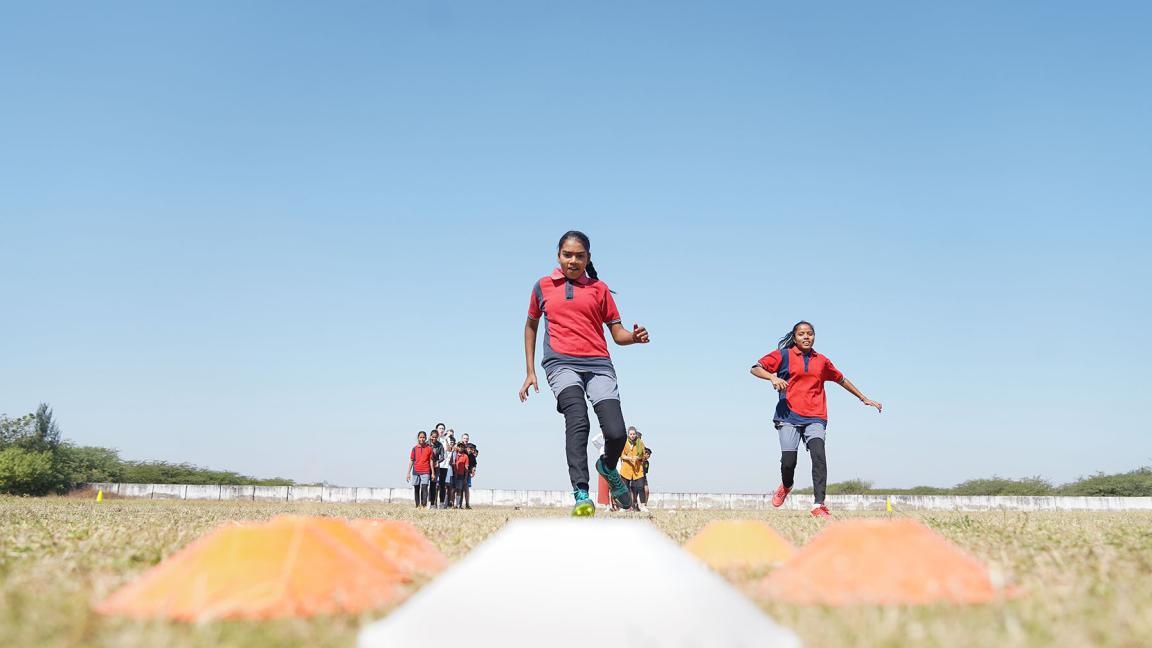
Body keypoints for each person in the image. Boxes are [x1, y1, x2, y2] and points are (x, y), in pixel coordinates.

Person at [518, 230, 650, 517]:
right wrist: (530, 371)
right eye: (568, 255)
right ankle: (581, 492)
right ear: (558, 256)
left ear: (588, 258)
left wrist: (634, 338)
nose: (573, 261)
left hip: (599, 364)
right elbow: (531, 326)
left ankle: (607, 465)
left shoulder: (599, 289)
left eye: (580, 256)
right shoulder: (542, 286)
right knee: (578, 419)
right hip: (561, 363)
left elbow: (617, 333)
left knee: (616, 432)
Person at [750, 321, 882, 517]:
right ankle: (786, 485)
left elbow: (841, 379)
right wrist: (772, 377)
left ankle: (818, 505)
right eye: (801, 334)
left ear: (814, 337)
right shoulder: (784, 355)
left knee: (818, 455)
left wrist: (863, 398)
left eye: (810, 334)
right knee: (788, 462)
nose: (806, 337)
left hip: (815, 416)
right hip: (788, 416)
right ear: (794, 337)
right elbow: (755, 368)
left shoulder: (821, 360)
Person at [619, 427, 646, 512]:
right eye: (630, 434)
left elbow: (643, 455)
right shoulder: (624, 443)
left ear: (636, 434)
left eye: (634, 434)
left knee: (641, 487)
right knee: (624, 488)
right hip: (626, 469)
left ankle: (643, 505)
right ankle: (624, 506)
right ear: (628, 434)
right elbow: (621, 455)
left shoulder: (640, 442)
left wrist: (638, 457)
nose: (632, 436)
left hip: (638, 469)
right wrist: (628, 458)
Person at [406, 431, 435, 508]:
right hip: (416, 471)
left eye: (423, 437)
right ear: (418, 438)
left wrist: (433, 473)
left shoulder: (429, 448)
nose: (422, 439)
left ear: (425, 438)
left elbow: (431, 461)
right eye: (420, 437)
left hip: (425, 471)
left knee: (424, 487)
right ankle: (417, 505)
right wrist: (408, 473)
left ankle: (423, 504)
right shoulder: (414, 449)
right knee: (416, 488)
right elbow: (411, 460)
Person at [439, 428, 457, 508]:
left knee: (450, 488)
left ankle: (448, 503)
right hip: (442, 467)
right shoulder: (442, 444)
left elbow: (450, 450)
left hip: (450, 470)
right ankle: (439, 503)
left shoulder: (455, 448)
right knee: (441, 486)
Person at [428, 426, 445, 509]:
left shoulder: (440, 445)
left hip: (435, 467)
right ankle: (425, 503)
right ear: (430, 436)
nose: (434, 438)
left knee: (433, 485)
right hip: (426, 466)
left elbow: (442, 457)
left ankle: (433, 503)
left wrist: (438, 462)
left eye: (436, 437)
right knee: (425, 485)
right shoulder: (427, 444)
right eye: (433, 437)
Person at [451, 442, 471, 508]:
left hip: (460, 475)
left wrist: (465, 478)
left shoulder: (465, 456)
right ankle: (452, 504)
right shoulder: (454, 454)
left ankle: (457, 504)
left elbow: (466, 468)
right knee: (452, 490)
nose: (460, 448)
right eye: (459, 446)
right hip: (453, 474)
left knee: (459, 490)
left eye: (462, 447)